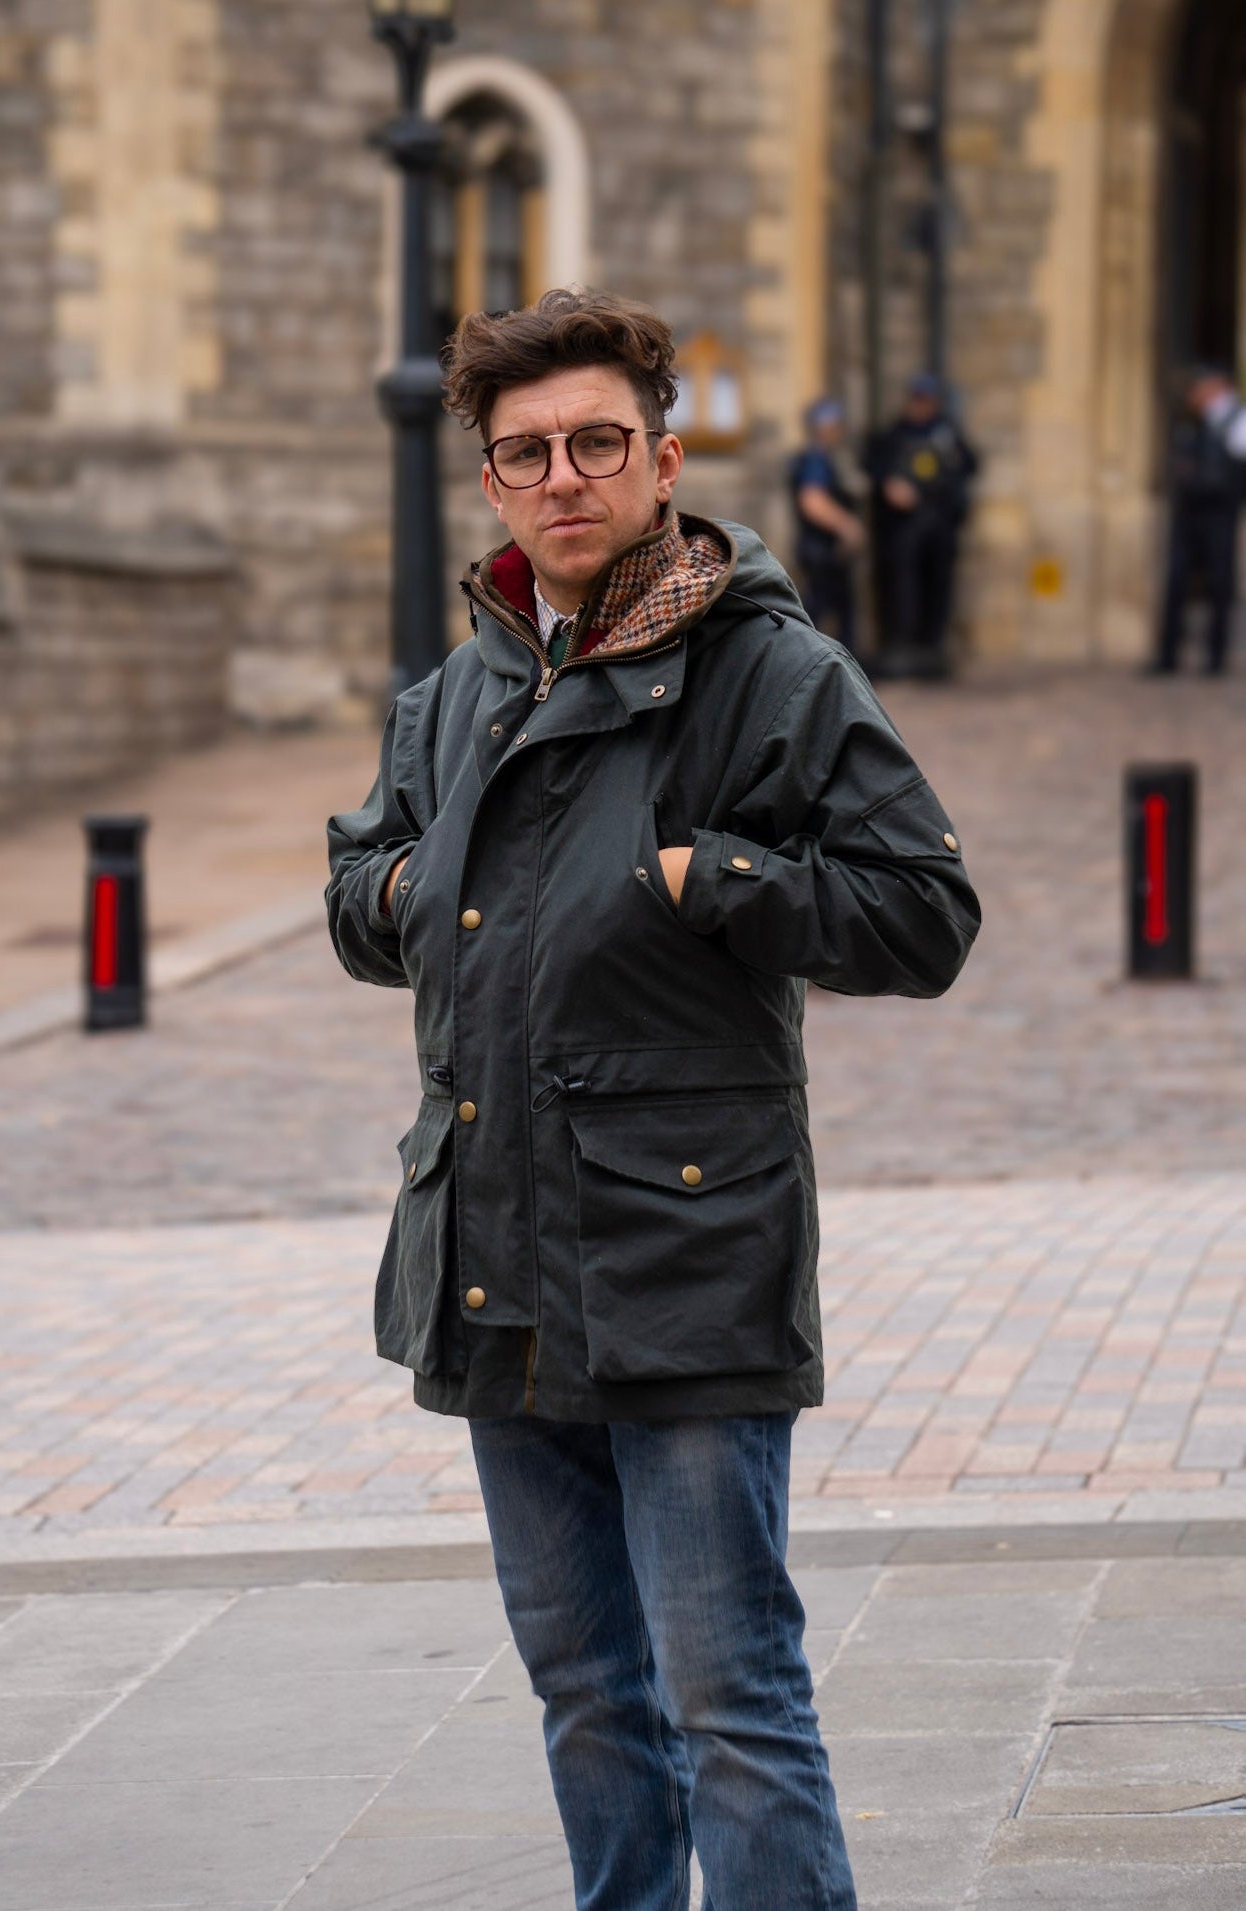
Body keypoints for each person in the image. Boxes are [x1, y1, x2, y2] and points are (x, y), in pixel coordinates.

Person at [326, 288, 980, 1911]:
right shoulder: (457, 689)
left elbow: (923, 911)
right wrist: (406, 889)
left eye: (596, 443)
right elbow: (353, 881)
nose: (564, 477)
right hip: (493, 1257)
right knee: (589, 1695)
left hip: (687, 1258)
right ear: (491, 480)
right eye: (527, 452)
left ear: (665, 458)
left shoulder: (772, 671)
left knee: (731, 1700)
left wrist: (716, 875)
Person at [867, 371, 979, 679]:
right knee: (902, 588)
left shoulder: (946, 435)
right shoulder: (895, 434)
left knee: (937, 588)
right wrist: (889, 485)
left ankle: (932, 651)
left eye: (927, 400)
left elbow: (969, 466)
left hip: (939, 529)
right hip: (903, 530)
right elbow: (875, 467)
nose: (921, 406)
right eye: (917, 399)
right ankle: (903, 648)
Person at [1151, 365, 1246, 676]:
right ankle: (1168, 655)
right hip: (1188, 510)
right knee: (1176, 581)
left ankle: (1215, 658)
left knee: (1219, 583)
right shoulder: (1190, 422)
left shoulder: (1237, 420)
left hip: (1219, 511)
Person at [787, 396, 864, 653]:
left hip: (819, 550)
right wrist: (846, 526)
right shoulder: (816, 460)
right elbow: (812, 501)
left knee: (829, 609)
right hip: (822, 550)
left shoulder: (819, 458)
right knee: (818, 612)